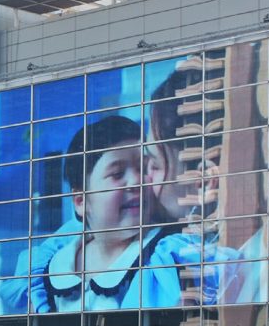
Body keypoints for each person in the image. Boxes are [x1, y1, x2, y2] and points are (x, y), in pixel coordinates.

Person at [29, 115, 194, 312]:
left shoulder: (164, 254)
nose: (136, 181)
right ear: (81, 201)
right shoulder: (55, 265)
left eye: (143, 168)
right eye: (117, 174)